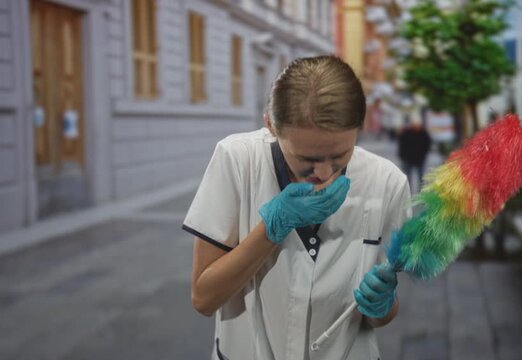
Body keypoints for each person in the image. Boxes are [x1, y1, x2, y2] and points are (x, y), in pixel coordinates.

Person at [183, 56, 411, 360]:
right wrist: (272, 228)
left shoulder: (387, 183)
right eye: (306, 159)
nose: (325, 172)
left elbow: (379, 318)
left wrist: (382, 305)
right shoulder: (237, 160)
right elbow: (204, 298)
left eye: (340, 154)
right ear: (270, 126)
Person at [397, 120, 431, 194]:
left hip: (420, 159)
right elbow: (402, 146)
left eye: (417, 125)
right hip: (408, 159)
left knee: (421, 176)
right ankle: (407, 191)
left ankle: (421, 191)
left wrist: (424, 154)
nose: (416, 127)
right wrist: (402, 156)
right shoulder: (406, 134)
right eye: (414, 125)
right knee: (408, 176)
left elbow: (427, 145)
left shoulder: (423, 134)